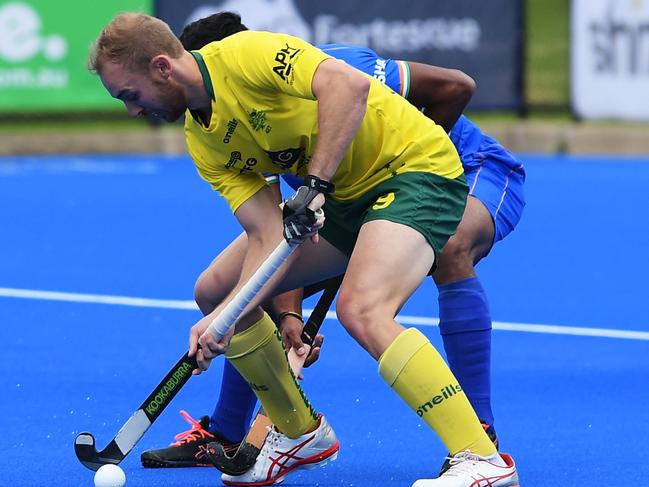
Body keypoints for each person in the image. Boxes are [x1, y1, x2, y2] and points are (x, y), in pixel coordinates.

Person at [89, 12, 519, 487]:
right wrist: (228, 315)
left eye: (130, 95)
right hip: (342, 199)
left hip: (412, 170)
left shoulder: (245, 55)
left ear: (162, 68)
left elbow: (348, 88)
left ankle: (483, 460)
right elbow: (265, 235)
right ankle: (300, 433)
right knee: (216, 290)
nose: (132, 110)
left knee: (363, 309)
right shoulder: (201, 137)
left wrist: (314, 185)